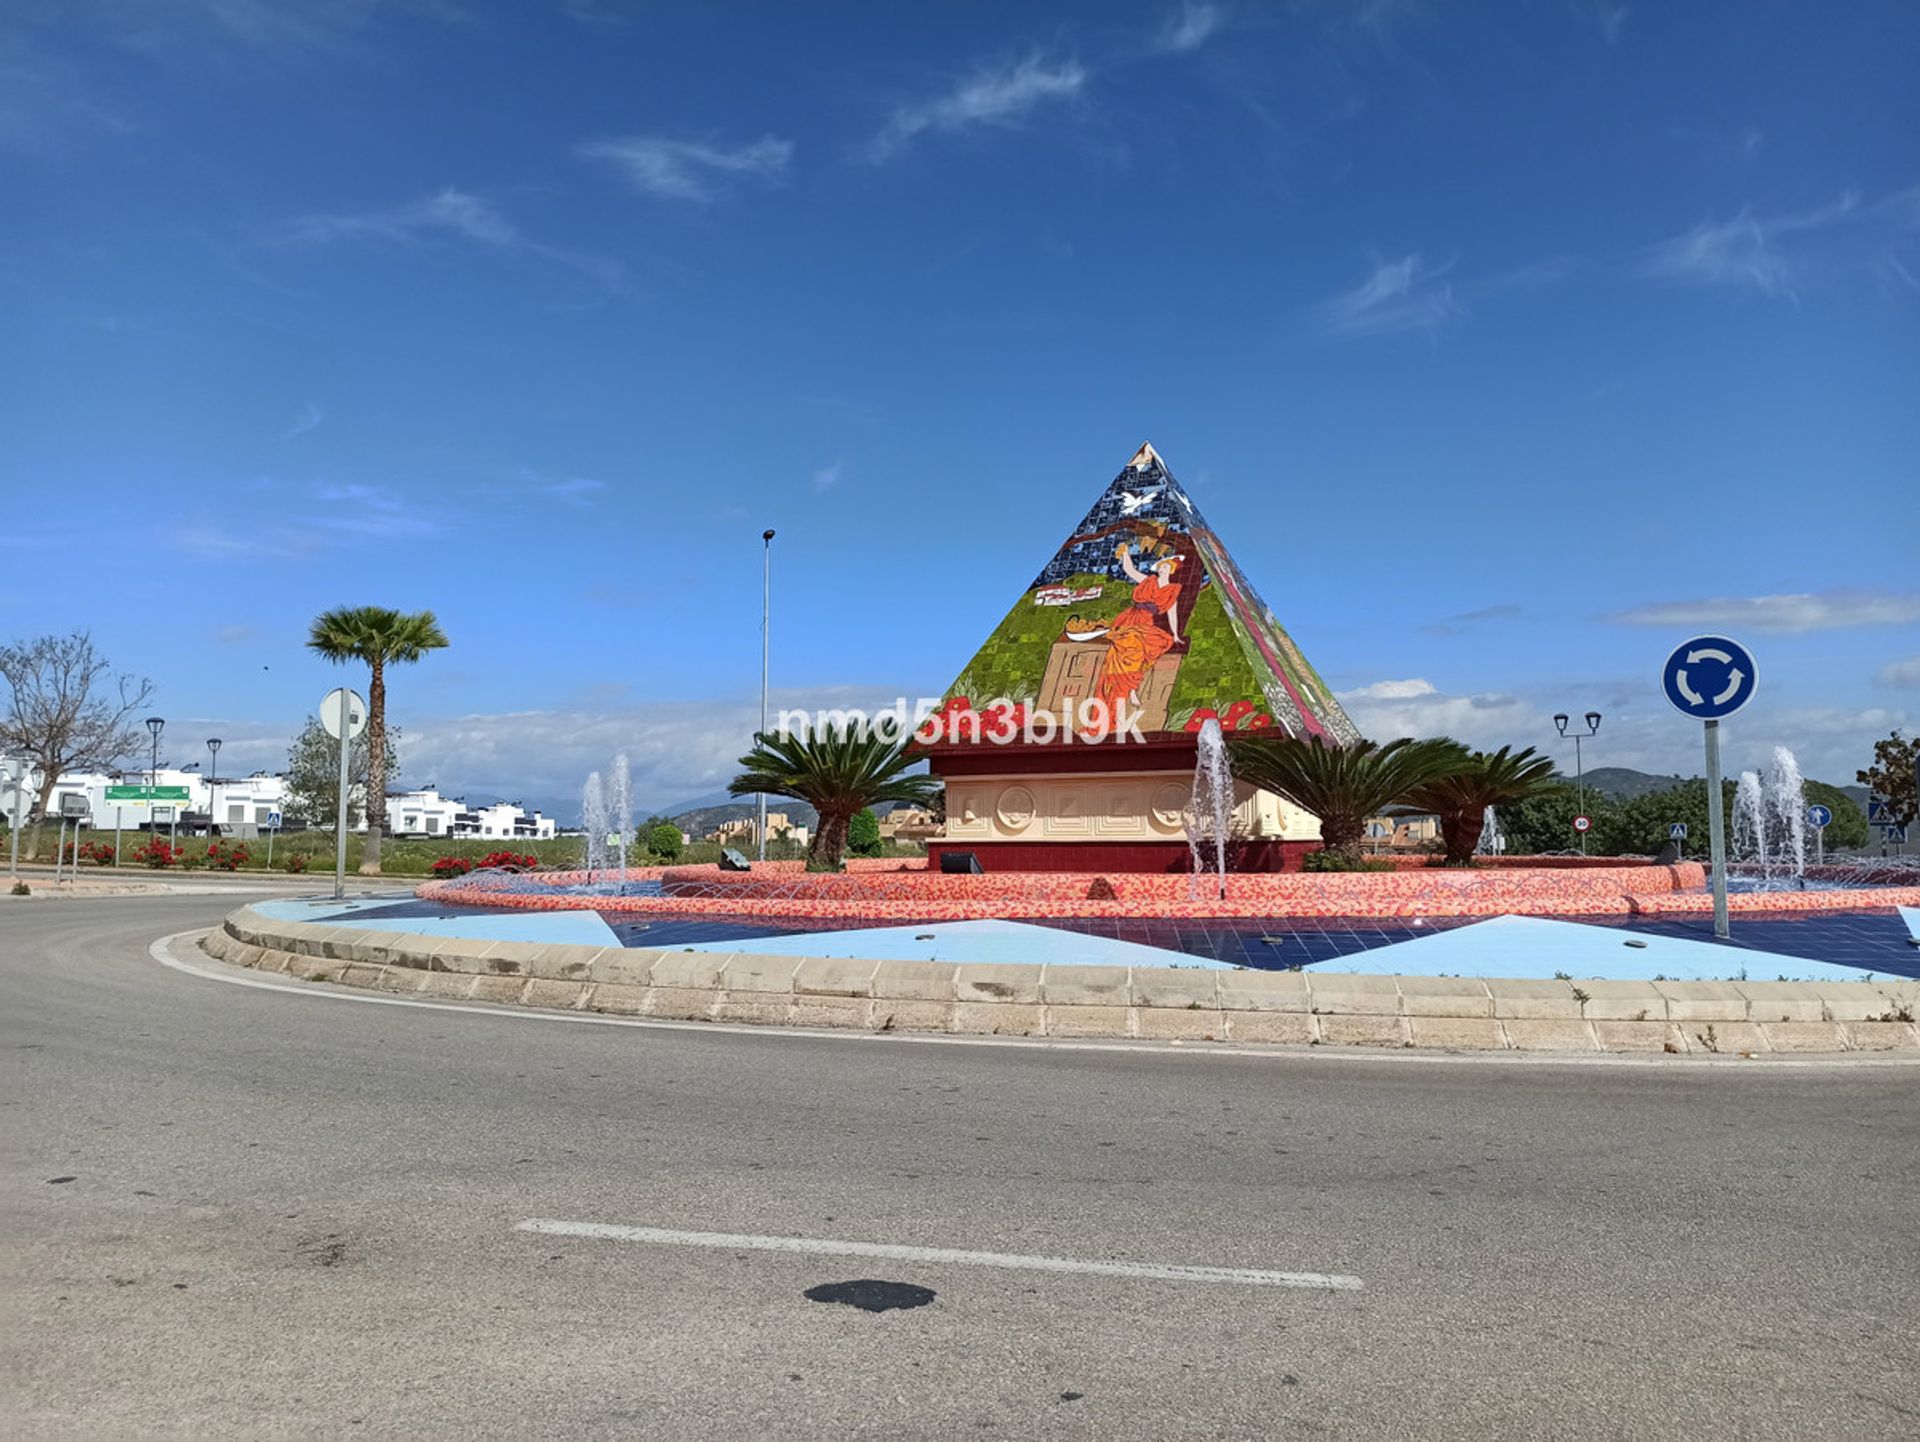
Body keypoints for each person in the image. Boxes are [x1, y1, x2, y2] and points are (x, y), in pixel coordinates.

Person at [1088, 542, 1183, 713]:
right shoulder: (1148, 581)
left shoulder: (1172, 592)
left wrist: (1175, 634)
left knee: (1142, 655)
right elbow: (1130, 571)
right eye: (1161, 566)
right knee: (1123, 655)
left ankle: (1131, 689)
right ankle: (1127, 690)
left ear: (1172, 570)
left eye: (1166, 567)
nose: (1162, 569)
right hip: (1129, 619)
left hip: (1146, 623)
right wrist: (1125, 553)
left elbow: (1172, 613)